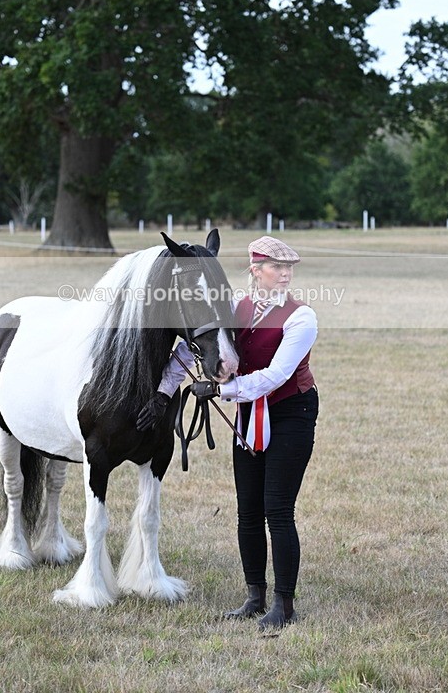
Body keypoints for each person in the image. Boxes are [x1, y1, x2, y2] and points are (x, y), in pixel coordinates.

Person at [136, 236, 318, 630]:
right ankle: (254, 596)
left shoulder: (302, 317)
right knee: (248, 510)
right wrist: (164, 394)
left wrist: (221, 390)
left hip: (291, 412)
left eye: (288, 268)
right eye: (276, 267)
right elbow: (190, 350)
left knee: (277, 510)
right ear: (255, 270)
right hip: (250, 412)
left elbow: (274, 376)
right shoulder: (236, 307)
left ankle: (284, 604)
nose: (285, 274)